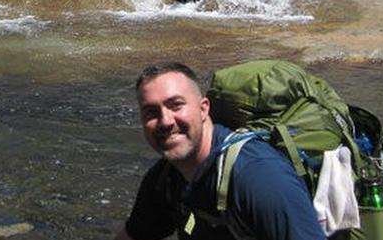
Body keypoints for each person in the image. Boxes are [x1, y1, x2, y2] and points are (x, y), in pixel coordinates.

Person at [113, 62, 327, 240]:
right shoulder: (166, 179)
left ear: (203, 108)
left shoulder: (259, 177)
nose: (165, 121)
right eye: (151, 112)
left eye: (176, 105)